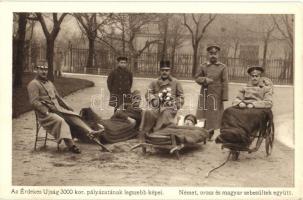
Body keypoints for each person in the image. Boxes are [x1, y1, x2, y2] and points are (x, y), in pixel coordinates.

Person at [27, 65, 103, 154]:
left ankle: (91, 132)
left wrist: (68, 107)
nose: (44, 72)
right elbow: (34, 102)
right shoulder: (33, 84)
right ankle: (71, 145)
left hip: (57, 110)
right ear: (36, 70)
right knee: (61, 121)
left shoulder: (49, 83)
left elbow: (58, 98)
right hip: (45, 115)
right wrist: (46, 111)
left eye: (45, 69)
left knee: (74, 116)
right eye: (41, 69)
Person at [215, 65, 273, 148]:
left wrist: (254, 104)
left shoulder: (265, 89)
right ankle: (229, 134)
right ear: (250, 77)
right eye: (252, 76)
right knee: (229, 111)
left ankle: (244, 137)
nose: (254, 78)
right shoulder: (245, 88)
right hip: (245, 107)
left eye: (257, 76)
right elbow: (237, 99)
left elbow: (268, 102)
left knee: (249, 115)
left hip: (258, 109)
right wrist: (239, 103)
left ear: (260, 77)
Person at [139, 60, 184, 133]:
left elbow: (181, 96)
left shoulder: (176, 82)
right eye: (162, 70)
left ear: (170, 71)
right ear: (160, 71)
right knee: (147, 111)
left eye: (166, 70)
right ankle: (145, 132)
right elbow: (148, 93)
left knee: (165, 113)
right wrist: (153, 100)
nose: (164, 72)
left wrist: (176, 103)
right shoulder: (154, 82)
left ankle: (159, 133)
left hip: (170, 107)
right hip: (156, 105)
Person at [195, 45, 229, 130]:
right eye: (211, 54)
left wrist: (224, 96)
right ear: (208, 55)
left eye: (215, 54)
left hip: (217, 94)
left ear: (218, 55)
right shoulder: (203, 66)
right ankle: (201, 130)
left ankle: (211, 132)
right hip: (205, 93)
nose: (213, 55)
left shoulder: (222, 67)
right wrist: (205, 80)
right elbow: (197, 78)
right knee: (203, 112)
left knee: (214, 114)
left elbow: (225, 82)